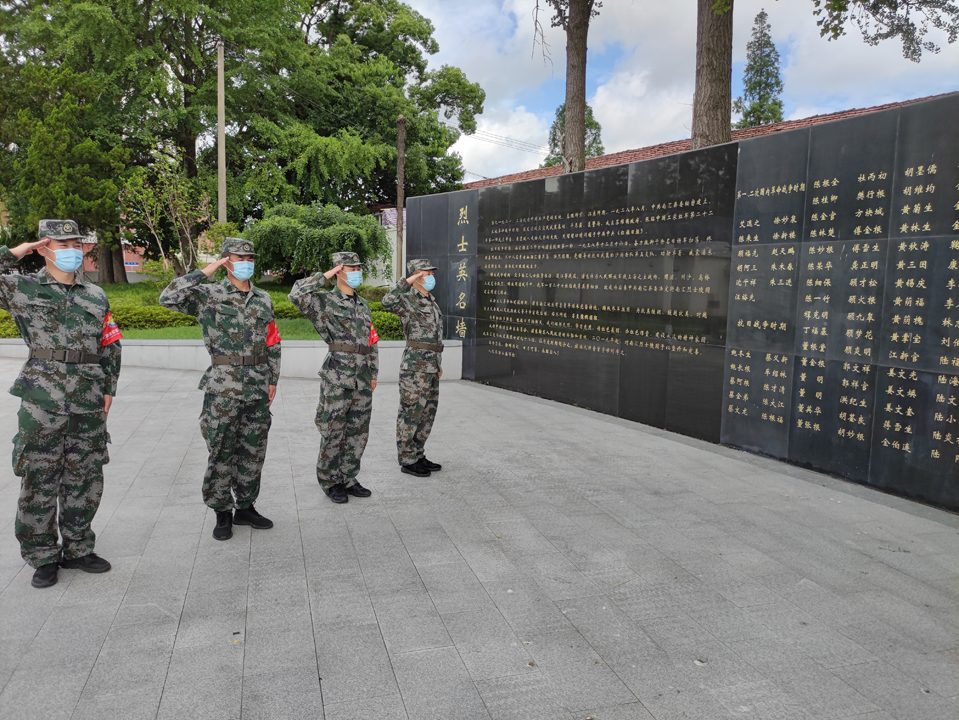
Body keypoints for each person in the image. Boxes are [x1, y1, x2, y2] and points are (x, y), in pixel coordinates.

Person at [0, 219, 122, 588]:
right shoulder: (22, 288)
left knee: (85, 476)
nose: (72, 250)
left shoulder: (95, 295)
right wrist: (17, 250)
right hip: (42, 400)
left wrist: (109, 387)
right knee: (39, 476)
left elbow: (110, 343)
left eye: (76, 244)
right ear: (45, 248)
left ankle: (79, 547)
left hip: (88, 398)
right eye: (62, 244)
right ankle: (42, 555)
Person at [159, 237, 280, 541]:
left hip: (257, 385)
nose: (246, 263)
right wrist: (204, 272)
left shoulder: (263, 298)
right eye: (239, 258)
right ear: (226, 261)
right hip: (223, 386)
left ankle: (246, 507)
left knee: (253, 449)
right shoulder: (208, 295)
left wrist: (273, 379)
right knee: (221, 449)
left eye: (250, 258)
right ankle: (221, 510)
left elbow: (273, 341)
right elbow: (168, 297)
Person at [289, 251, 378, 504]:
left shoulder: (363, 304)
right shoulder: (324, 301)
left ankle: (349, 477)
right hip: (338, 375)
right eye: (352, 268)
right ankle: (330, 481)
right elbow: (296, 294)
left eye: (359, 268)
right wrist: (325, 276)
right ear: (339, 271)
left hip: (362, 376)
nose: (357, 272)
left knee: (358, 430)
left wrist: (373, 371)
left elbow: (371, 340)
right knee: (333, 429)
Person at [381, 259, 444, 477]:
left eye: (431, 273)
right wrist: (406, 282)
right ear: (416, 276)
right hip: (415, 367)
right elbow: (386, 301)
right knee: (411, 413)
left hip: (431, 366)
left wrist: (438, 364)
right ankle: (407, 459)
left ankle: (418, 454)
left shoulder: (431, 301)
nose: (430, 276)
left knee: (427, 414)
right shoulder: (407, 300)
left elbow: (435, 336)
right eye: (425, 273)